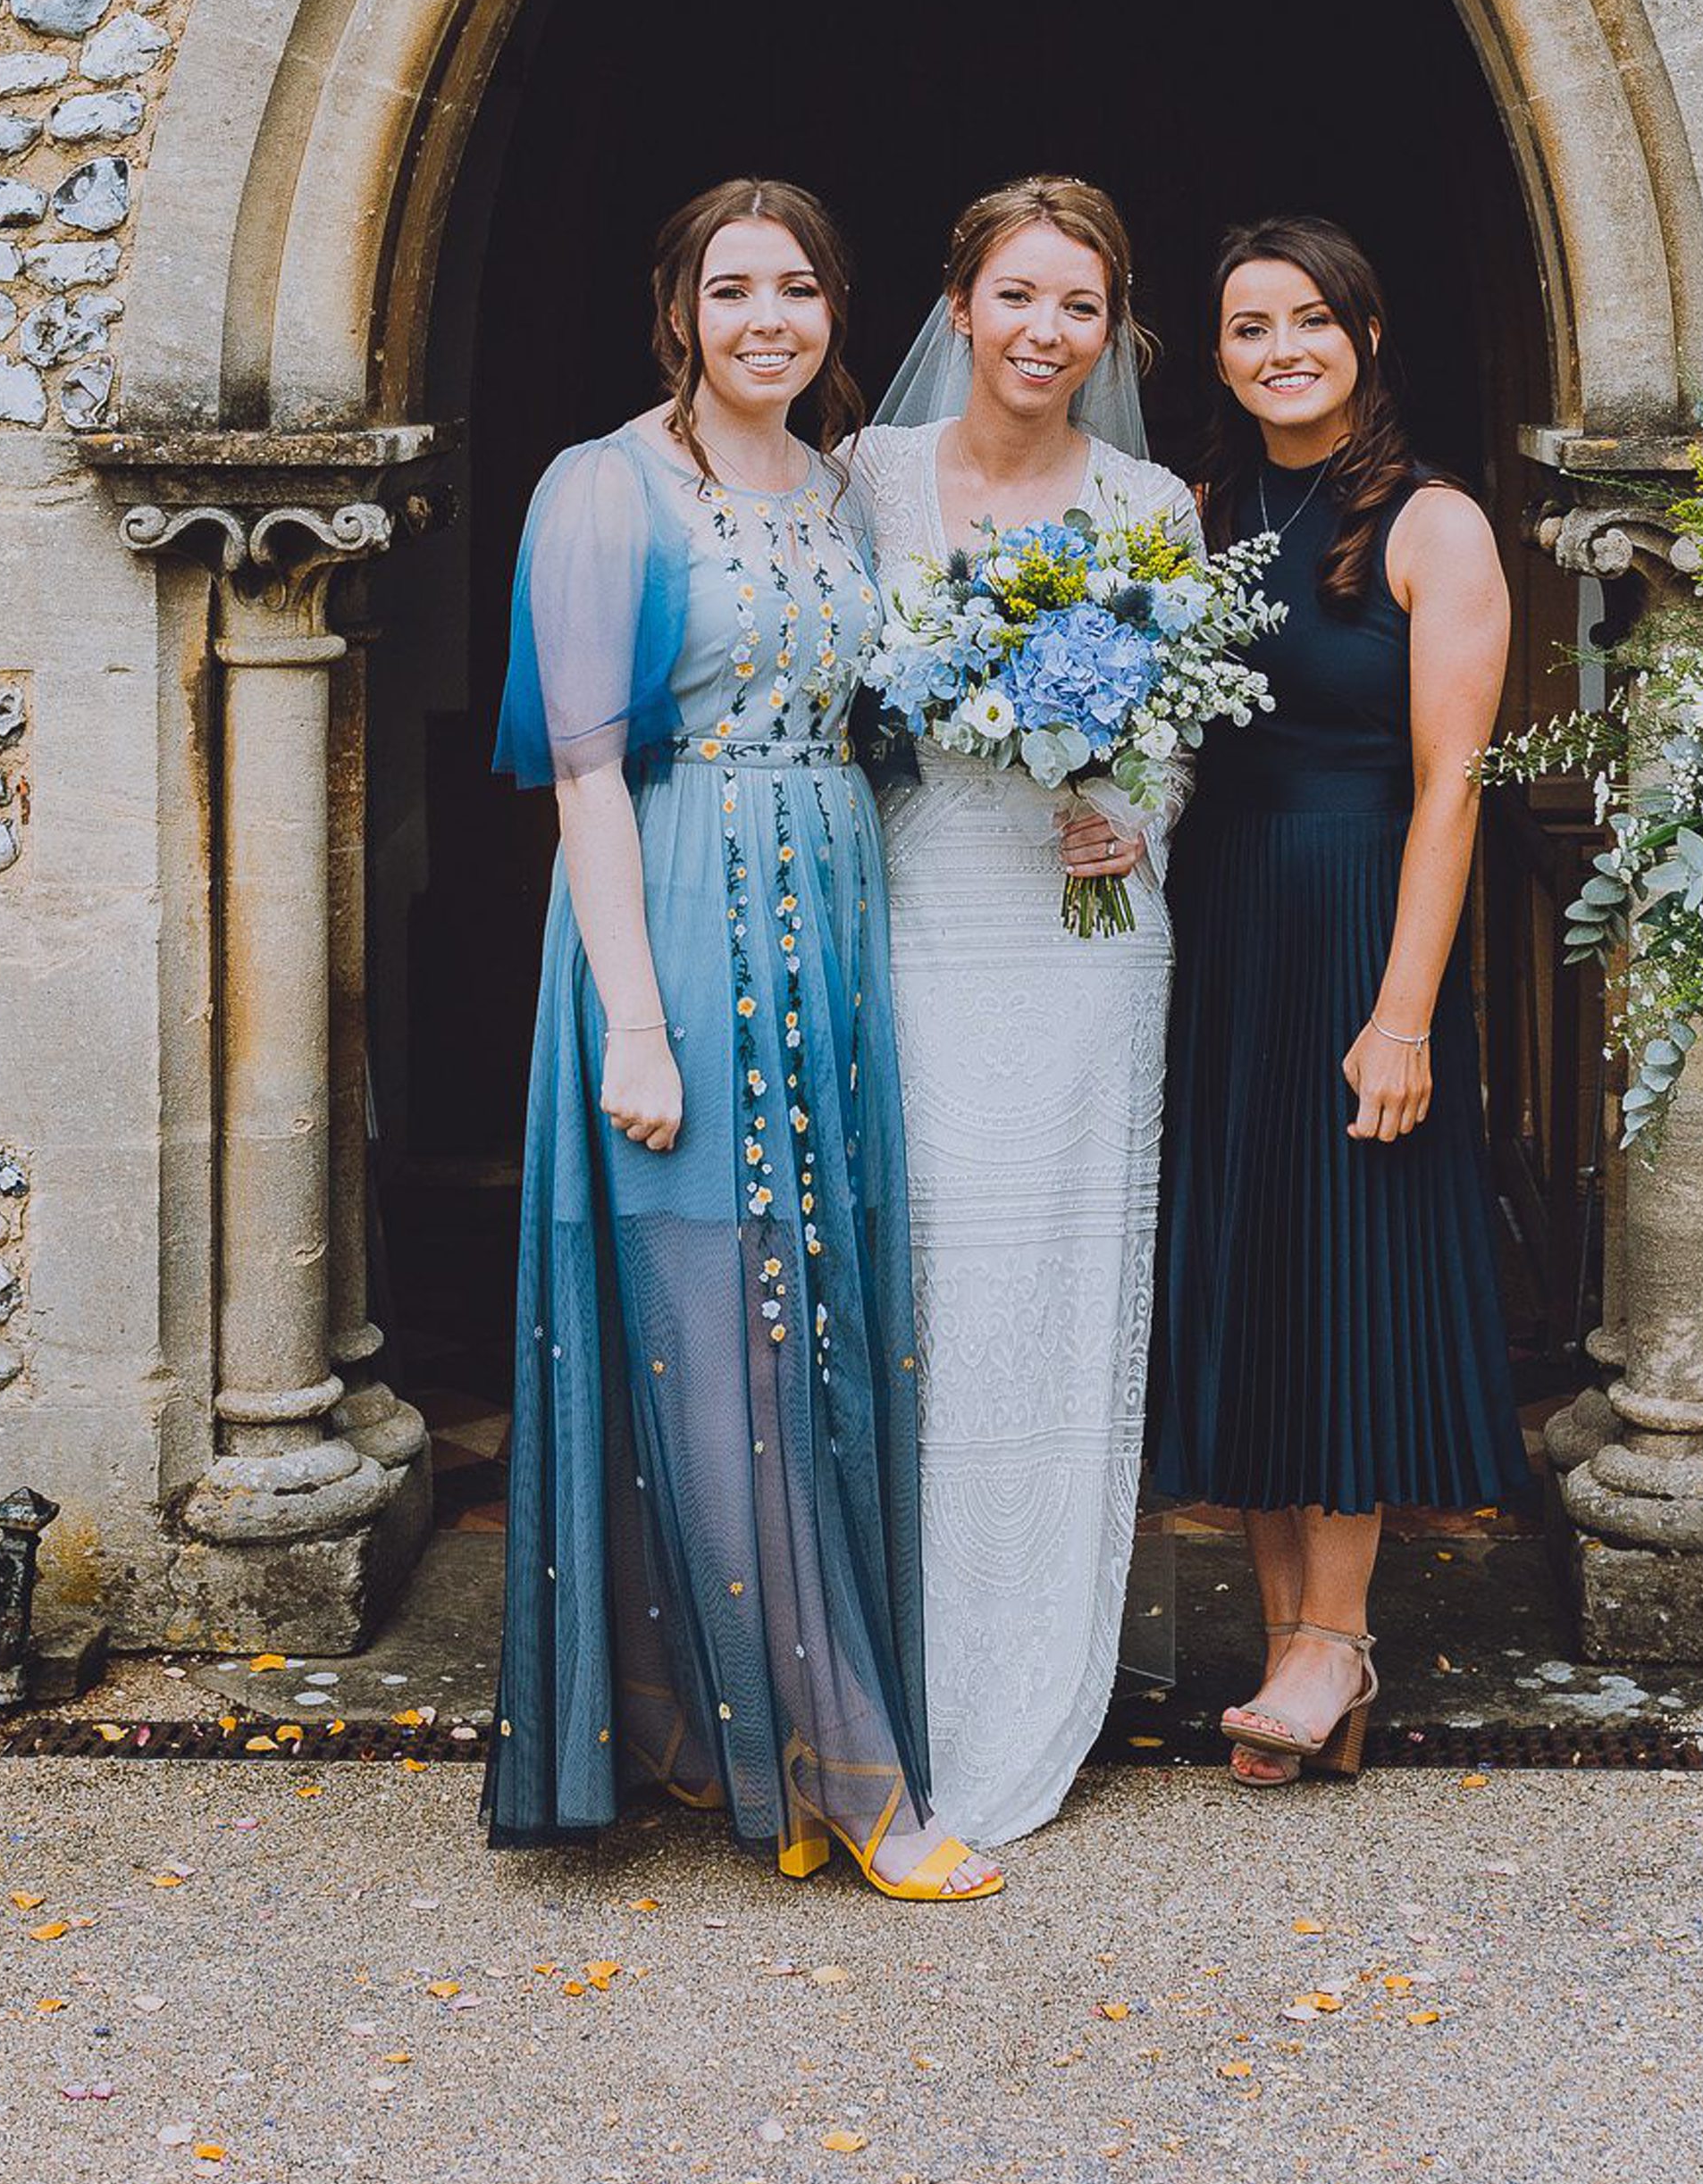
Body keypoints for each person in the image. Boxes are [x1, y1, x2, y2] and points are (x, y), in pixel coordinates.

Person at [482, 179, 998, 1902]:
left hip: (830, 913)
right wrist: (634, 1018)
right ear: (680, 307)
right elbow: (581, 771)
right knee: (733, 1332)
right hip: (682, 913)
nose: (766, 317)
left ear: (835, 310)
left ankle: (740, 1736)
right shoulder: (607, 489)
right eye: (732, 288)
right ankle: (853, 1772)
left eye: (797, 288)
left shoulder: (850, 491)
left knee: (819, 1323)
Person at [848, 178, 1200, 1844]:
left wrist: (1142, 810)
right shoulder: (872, 479)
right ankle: (898, 1680)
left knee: (1060, 1285)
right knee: (922, 1277)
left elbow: (1184, 732)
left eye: (1079, 307)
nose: (1045, 333)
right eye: (1016, 296)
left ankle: (1034, 1681)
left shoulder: (1149, 500)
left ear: (1112, 328)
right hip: (930, 909)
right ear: (961, 303)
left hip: (1087, 930)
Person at [1154, 214, 1526, 1783]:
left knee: (1348, 1268)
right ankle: (1289, 1651)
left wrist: (1405, 1010)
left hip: (1367, 911)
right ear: (1220, 350)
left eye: (1311, 319)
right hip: (1224, 922)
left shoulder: (1435, 526)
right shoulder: (1196, 511)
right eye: (1249, 325)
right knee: (1252, 1269)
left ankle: (1334, 1639)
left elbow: (1453, 785)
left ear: (1366, 336)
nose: (1280, 348)